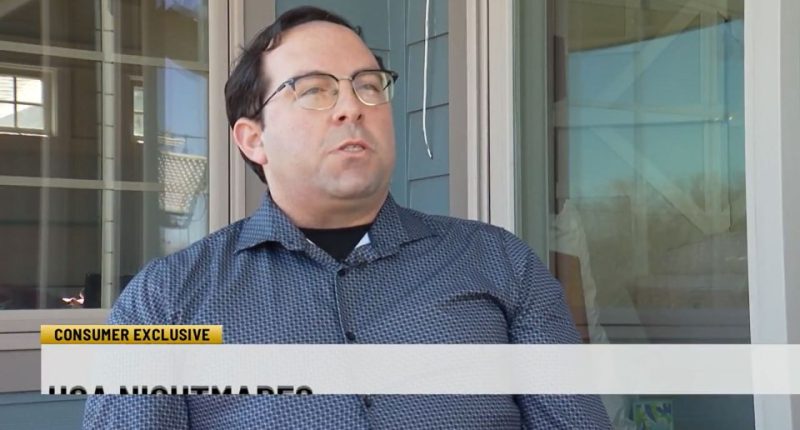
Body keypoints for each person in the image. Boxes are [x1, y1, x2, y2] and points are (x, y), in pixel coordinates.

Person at [83, 6, 611, 429]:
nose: (351, 107)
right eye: (314, 89)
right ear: (253, 138)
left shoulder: (501, 263)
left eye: (368, 85)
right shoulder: (165, 302)